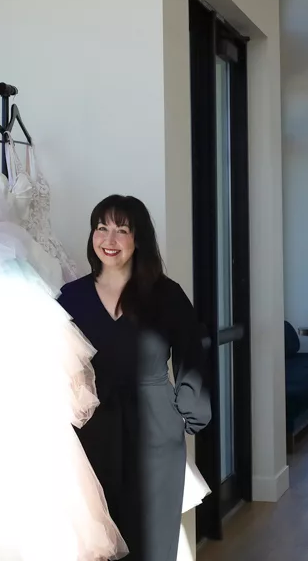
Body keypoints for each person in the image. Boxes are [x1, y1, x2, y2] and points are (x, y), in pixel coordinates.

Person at [57, 194, 211, 561]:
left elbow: (194, 349)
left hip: (157, 427)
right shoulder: (71, 296)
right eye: (101, 228)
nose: (109, 240)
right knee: (100, 542)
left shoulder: (166, 294)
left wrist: (187, 407)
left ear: (137, 239)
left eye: (121, 230)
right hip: (92, 429)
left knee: (154, 540)